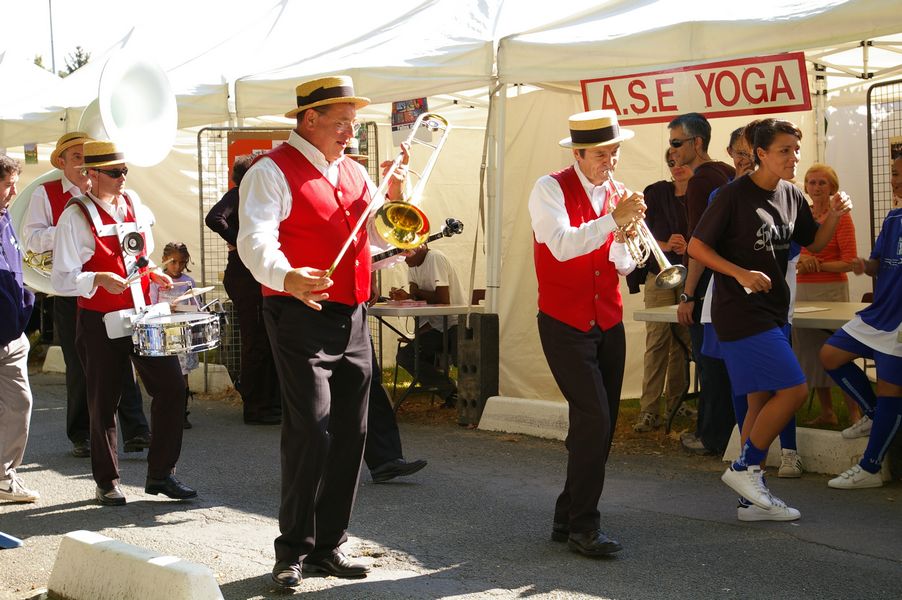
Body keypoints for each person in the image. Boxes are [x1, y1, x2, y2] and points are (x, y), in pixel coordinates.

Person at [237, 75, 409, 588]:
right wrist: (287, 276)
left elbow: (376, 232)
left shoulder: (354, 172)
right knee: (310, 428)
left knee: (352, 434)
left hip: (352, 314)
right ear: (308, 119)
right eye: (341, 123)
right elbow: (255, 240)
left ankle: (328, 546)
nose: (349, 133)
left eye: (353, 123)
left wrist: (394, 195)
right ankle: (291, 550)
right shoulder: (270, 172)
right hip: (298, 314)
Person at [688, 118, 852, 517]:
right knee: (794, 391)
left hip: (774, 312)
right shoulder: (731, 196)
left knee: (758, 404)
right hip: (740, 314)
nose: (794, 157)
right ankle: (745, 467)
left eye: (796, 150)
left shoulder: (792, 195)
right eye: (784, 150)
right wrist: (740, 273)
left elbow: (812, 241)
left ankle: (751, 500)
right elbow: (696, 247)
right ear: (760, 154)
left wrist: (832, 214)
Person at [51, 140, 197, 507]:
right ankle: (106, 481)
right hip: (100, 319)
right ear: (92, 175)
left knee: (172, 387)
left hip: (141, 315)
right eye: (114, 173)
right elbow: (61, 279)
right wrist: (97, 279)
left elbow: (138, 256)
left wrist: (153, 274)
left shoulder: (133, 203)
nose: (122, 178)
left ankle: (162, 474)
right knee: (104, 401)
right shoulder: (75, 214)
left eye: (125, 171)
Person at [528, 109, 644, 557]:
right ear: (578, 153)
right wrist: (613, 221)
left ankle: (566, 514)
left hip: (608, 320)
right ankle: (584, 527)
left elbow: (624, 265)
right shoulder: (549, 188)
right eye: (601, 154)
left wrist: (626, 236)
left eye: (614, 153)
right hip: (564, 320)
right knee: (593, 418)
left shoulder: (615, 192)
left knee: (601, 423)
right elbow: (560, 245)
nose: (609, 163)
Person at [23, 132, 151, 458]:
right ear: (62, 163)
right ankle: (81, 433)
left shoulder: (120, 196)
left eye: (87, 155)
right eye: (77, 156)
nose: (83, 161)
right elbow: (33, 239)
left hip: (115, 287)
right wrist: (75, 231)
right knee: (81, 364)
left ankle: (136, 430)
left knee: (124, 357)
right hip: (71, 288)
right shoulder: (46, 193)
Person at [819, 158, 902, 489]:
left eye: (896, 174)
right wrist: (864, 265)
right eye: (893, 174)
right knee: (829, 355)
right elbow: (878, 264)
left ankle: (870, 467)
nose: (893, 180)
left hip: (898, 322)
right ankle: (873, 413)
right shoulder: (894, 216)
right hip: (879, 313)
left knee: (890, 389)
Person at [669, 112, 737, 456]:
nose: (672, 151)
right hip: (730, 278)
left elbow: (697, 245)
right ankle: (721, 434)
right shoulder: (726, 171)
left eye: (677, 143)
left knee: (709, 361)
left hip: (708, 280)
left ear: (698, 143)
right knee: (723, 362)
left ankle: (711, 436)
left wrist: (688, 294)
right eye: (670, 144)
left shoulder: (699, 182)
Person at [204, 155, 281, 425]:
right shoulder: (239, 194)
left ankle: (270, 402)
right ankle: (257, 406)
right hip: (245, 276)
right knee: (256, 339)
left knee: (266, 338)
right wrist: (239, 240)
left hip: (255, 275)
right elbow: (214, 218)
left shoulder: (255, 197)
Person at [628, 149, 691, 432]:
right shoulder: (656, 193)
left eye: (681, 162)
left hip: (691, 275)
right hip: (659, 273)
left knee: (683, 343)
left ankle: (677, 403)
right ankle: (649, 409)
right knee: (657, 341)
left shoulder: (703, 193)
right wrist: (665, 246)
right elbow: (639, 229)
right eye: (671, 163)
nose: (676, 167)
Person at [793, 164, 860, 427]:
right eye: (811, 182)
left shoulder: (842, 217)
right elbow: (794, 255)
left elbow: (850, 262)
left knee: (839, 350)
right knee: (811, 353)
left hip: (832, 291)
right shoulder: (803, 216)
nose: (816, 187)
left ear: (832, 187)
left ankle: (855, 413)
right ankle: (827, 412)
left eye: (822, 182)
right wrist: (803, 260)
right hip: (803, 291)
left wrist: (815, 263)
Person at [0, 155, 39, 503]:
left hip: (11, 337)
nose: (14, 191)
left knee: (20, 404)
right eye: (8, 184)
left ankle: (3, 476)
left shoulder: (6, 218)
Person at [388, 244, 466, 405]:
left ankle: (459, 395)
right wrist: (408, 295)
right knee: (405, 356)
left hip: (454, 324)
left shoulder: (435, 258)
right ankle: (450, 391)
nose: (403, 257)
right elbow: (415, 291)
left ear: (421, 247)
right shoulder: (413, 264)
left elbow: (443, 298)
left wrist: (414, 293)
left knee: (462, 359)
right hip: (436, 327)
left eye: (406, 252)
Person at [150, 242, 200, 429]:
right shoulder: (157, 282)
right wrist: (165, 308)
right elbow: (150, 305)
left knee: (183, 374)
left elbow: (196, 305)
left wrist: (184, 308)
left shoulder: (188, 282)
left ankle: (182, 412)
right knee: (164, 374)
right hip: (163, 333)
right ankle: (165, 412)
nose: (177, 267)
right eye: (173, 262)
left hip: (182, 333)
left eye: (181, 263)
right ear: (164, 260)